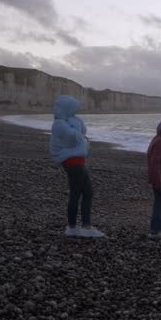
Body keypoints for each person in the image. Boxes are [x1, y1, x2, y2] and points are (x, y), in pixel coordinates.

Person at [49, 95, 105, 238]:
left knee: (86, 193)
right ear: (67, 108)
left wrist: (76, 123)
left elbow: (82, 133)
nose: (76, 112)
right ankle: (79, 227)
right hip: (72, 162)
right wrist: (76, 126)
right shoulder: (60, 124)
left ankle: (77, 226)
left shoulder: (67, 121)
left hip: (77, 161)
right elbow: (73, 138)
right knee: (79, 193)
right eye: (73, 109)